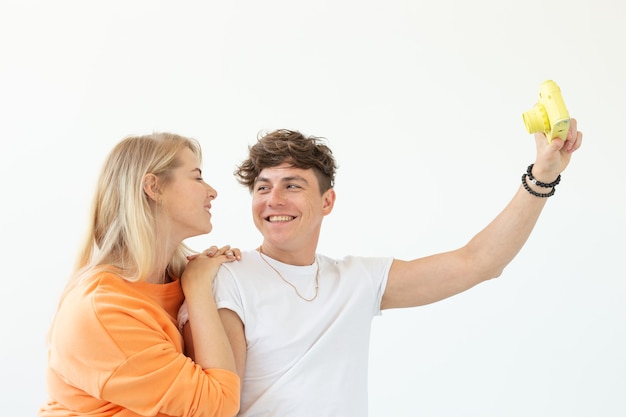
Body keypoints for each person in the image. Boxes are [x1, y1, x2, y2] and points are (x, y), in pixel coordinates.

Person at [180, 121, 583, 416]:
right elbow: (217, 404)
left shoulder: (357, 279)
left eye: (293, 185)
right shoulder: (226, 277)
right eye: (263, 187)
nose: (274, 199)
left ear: (327, 201)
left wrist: (541, 178)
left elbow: (478, 262)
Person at [39, 133, 242, 417]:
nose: (211, 191)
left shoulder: (182, 276)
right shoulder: (102, 310)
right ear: (153, 187)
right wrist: (197, 288)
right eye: (197, 177)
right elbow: (219, 405)